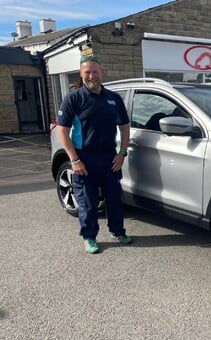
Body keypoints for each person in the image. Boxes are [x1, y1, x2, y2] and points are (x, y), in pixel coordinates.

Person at [56, 55, 132, 254]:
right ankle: (89, 237)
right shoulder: (74, 98)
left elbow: (124, 126)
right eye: (87, 72)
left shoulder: (114, 99)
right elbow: (62, 131)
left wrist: (122, 153)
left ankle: (117, 231)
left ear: (102, 73)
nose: (91, 75)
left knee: (114, 198)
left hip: (109, 157)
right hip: (84, 158)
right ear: (81, 74)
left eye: (95, 71)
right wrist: (75, 160)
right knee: (87, 202)